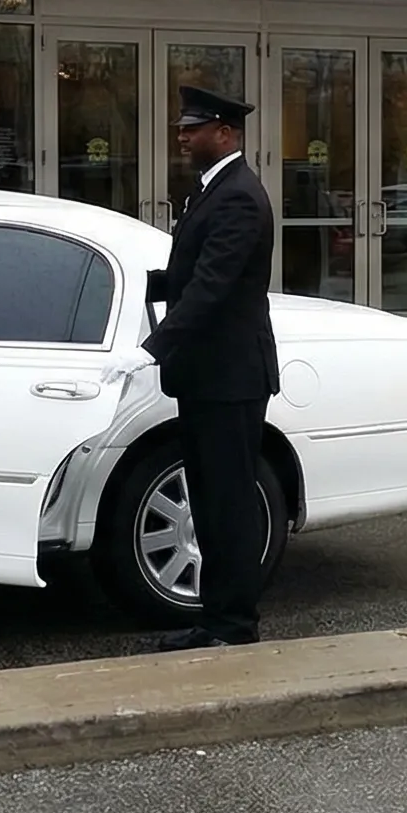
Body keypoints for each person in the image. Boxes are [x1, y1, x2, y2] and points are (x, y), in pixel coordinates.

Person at [140, 83, 279, 648]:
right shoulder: (210, 191)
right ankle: (216, 617)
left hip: (229, 378)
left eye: (192, 129)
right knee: (210, 500)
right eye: (182, 128)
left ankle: (232, 625)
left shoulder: (239, 196)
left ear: (225, 133)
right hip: (207, 376)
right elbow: (194, 271)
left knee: (228, 504)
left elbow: (213, 286)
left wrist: (154, 345)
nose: (182, 136)